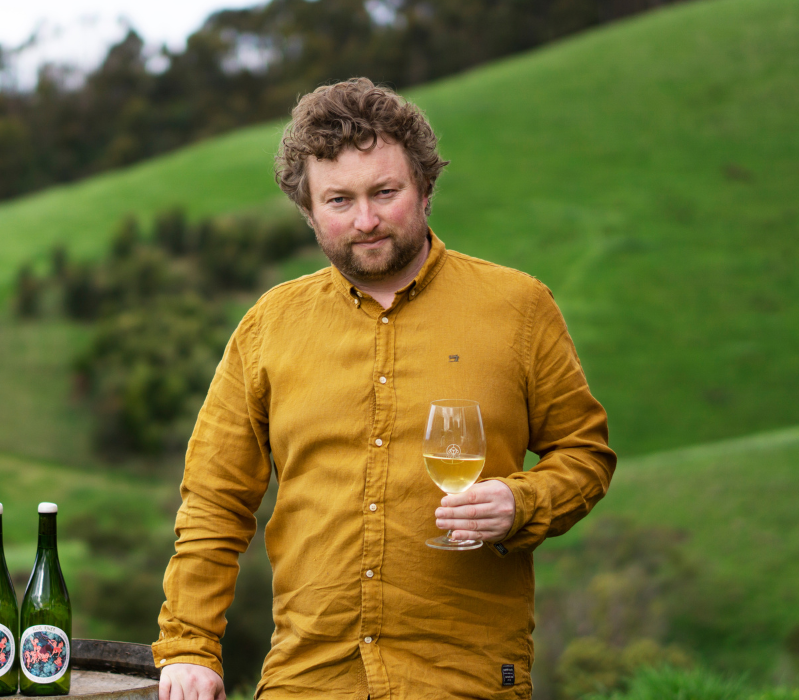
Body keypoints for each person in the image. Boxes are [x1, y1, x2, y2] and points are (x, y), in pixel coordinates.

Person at [153, 78, 616, 700]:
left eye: (385, 192)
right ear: (310, 211)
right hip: (308, 678)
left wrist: (521, 502)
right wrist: (190, 647)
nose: (365, 220)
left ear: (425, 188)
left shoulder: (519, 308)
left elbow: (585, 455)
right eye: (339, 200)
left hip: (467, 677)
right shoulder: (270, 324)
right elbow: (214, 502)